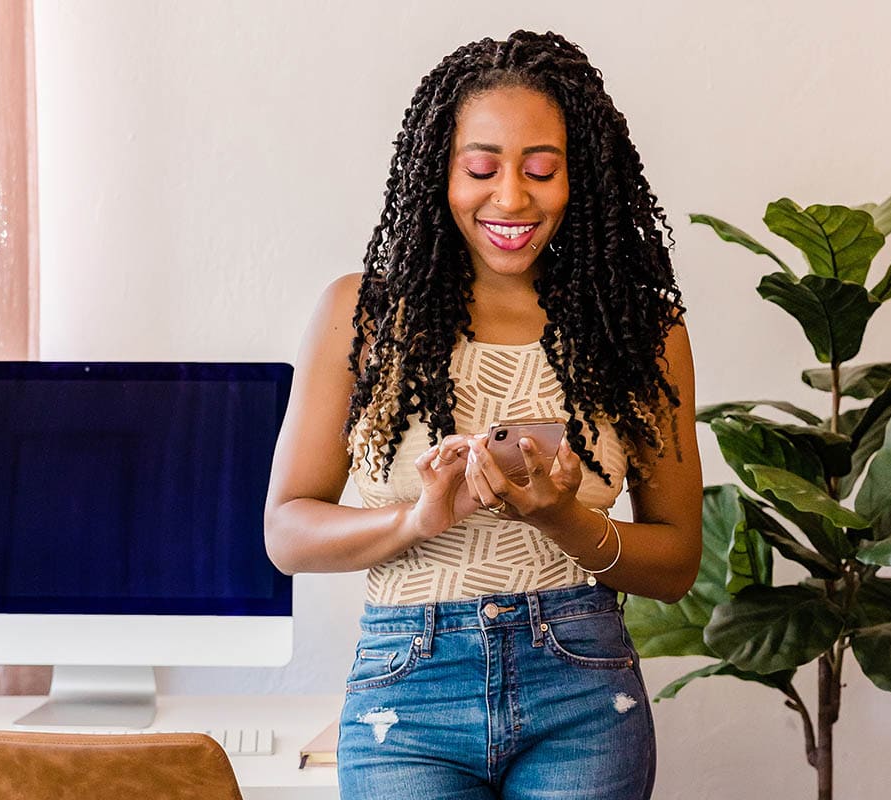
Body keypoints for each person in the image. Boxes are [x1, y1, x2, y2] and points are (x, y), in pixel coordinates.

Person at [264, 30, 702, 800]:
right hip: (407, 693)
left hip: (582, 688)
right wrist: (418, 519)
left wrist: (563, 518)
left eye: (541, 170)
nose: (510, 198)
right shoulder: (361, 317)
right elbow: (287, 532)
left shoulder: (641, 330)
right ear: (440, 171)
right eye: (481, 168)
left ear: (583, 178)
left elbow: (676, 563)